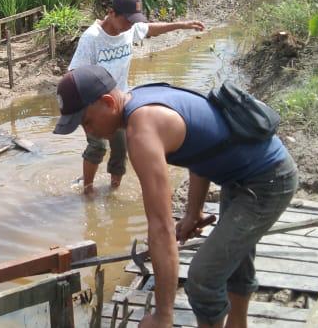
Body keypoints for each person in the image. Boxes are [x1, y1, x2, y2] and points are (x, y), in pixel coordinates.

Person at [53, 65, 298, 328]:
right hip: (242, 174)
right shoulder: (143, 98)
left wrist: (163, 315)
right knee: (233, 262)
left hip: (267, 181)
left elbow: (161, 227)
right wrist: (193, 212)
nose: (88, 133)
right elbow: (200, 148)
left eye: (86, 122)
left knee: (204, 279)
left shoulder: (141, 132)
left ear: (108, 102)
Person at [68, 0, 205, 193]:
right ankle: (87, 190)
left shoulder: (129, 29)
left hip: (119, 101)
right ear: (111, 13)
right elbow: (73, 74)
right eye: (127, 20)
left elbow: (150, 29)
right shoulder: (92, 38)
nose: (130, 25)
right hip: (95, 105)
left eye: (133, 21)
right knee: (98, 147)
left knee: (121, 150)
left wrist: (182, 25)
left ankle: (113, 190)